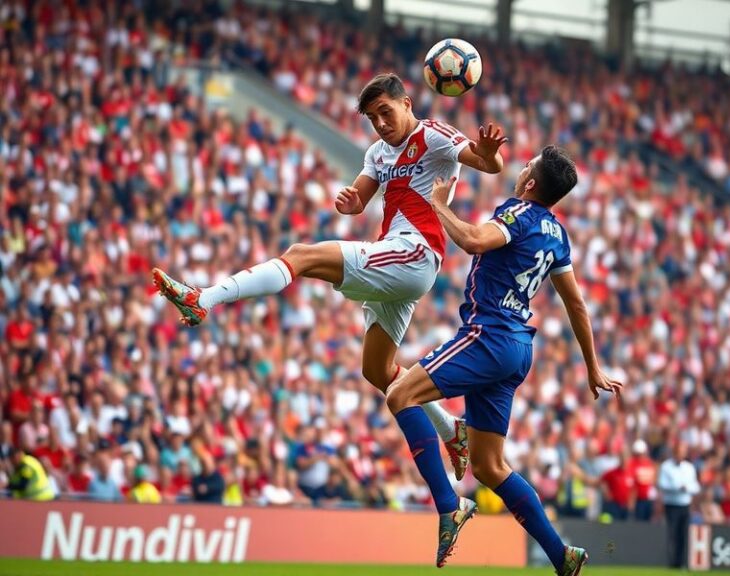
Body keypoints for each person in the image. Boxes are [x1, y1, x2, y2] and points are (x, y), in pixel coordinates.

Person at [152, 73, 508, 481]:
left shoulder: (434, 135)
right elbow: (359, 199)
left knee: (300, 255)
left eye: (386, 112)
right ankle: (452, 429)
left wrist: (490, 154)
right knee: (378, 371)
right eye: (373, 118)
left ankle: (204, 299)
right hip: (397, 255)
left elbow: (487, 163)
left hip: (417, 251)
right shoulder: (377, 152)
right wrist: (350, 202)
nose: (381, 123)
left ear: (407, 104)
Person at [385, 146, 622, 573]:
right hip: (517, 349)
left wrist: (438, 205)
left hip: (488, 336)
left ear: (530, 183)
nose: (522, 166)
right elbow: (576, 304)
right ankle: (562, 555)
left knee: (401, 395)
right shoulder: (557, 234)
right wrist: (592, 366)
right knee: (489, 466)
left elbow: (474, 240)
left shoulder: (518, 213)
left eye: (528, 164)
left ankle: (449, 505)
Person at [658, 441, 701, 569]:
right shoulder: (666, 466)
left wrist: (687, 488)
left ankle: (680, 562)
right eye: (678, 452)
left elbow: (695, 486)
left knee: (683, 534)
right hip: (671, 504)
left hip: (684, 504)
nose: (680, 455)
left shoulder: (689, 467)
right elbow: (662, 484)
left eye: (682, 453)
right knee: (672, 534)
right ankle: (671, 562)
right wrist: (676, 487)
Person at [627, 439, 657, 521]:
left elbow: (653, 480)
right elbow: (631, 482)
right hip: (637, 500)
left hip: (649, 499)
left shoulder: (649, 463)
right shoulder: (631, 463)